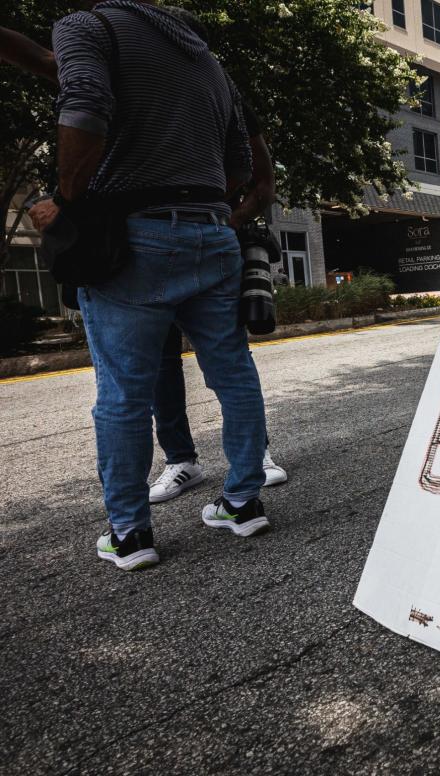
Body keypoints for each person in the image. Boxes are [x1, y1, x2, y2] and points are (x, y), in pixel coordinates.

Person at [2, 10, 289, 505]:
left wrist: (68, 201)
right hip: (212, 235)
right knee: (233, 372)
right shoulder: (210, 67)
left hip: (134, 237)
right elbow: (242, 167)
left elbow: (85, 99)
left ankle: (131, 533)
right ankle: (244, 501)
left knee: (123, 396)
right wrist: (204, 210)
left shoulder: (87, 27)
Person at [147, 6, 287, 504]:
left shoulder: (220, 91)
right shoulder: (137, 90)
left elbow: (263, 182)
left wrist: (224, 224)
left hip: (211, 246)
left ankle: (254, 456)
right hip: (148, 247)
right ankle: (181, 461)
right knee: (162, 363)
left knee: (228, 358)